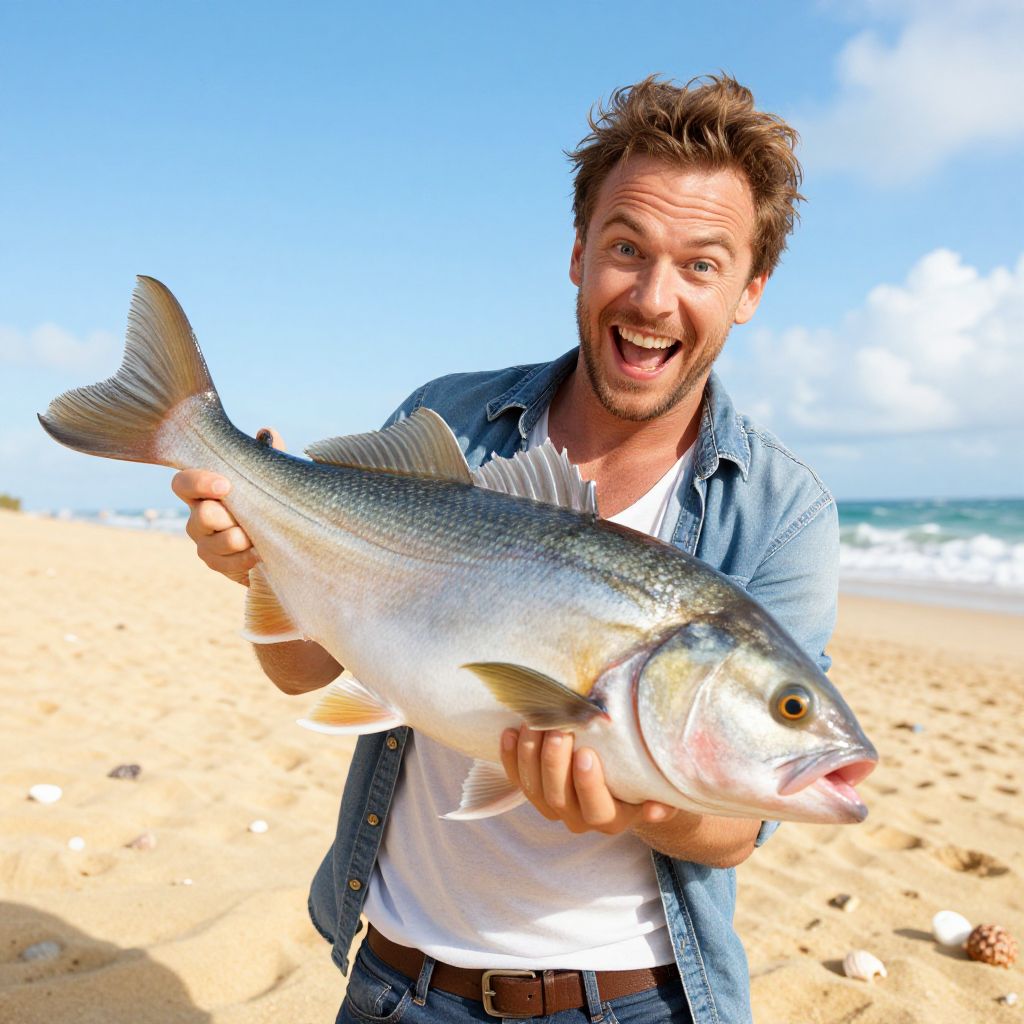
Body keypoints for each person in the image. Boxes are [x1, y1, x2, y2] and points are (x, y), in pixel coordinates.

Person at [172, 75, 839, 1024]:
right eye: (625, 249)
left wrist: (638, 801)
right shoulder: (450, 420)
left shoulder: (783, 511)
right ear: (577, 254)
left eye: (701, 265)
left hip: (640, 999)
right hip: (399, 981)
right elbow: (306, 670)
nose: (654, 298)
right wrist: (263, 558)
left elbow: (736, 833)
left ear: (748, 291)